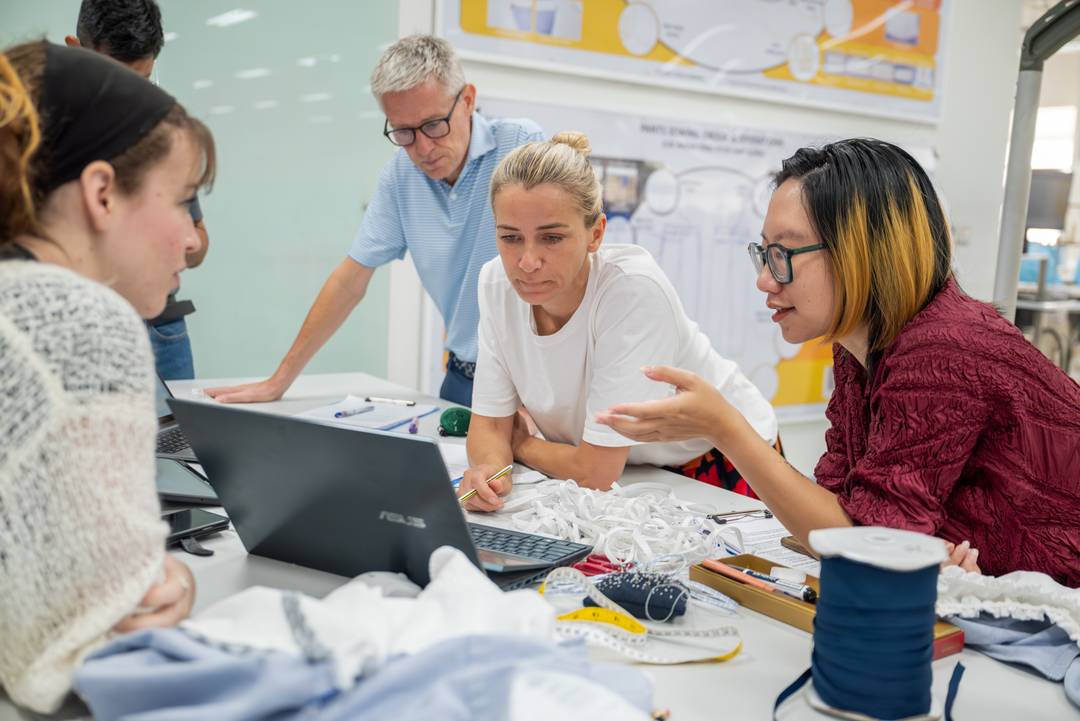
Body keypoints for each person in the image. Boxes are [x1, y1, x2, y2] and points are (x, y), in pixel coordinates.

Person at [596, 138, 1080, 586]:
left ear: (862, 252)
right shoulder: (861, 346)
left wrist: (727, 429)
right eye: (763, 253)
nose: (765, 279)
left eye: (783, 253)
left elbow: (854, 543)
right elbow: (842, 511)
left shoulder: (943, 349)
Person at [0, 41, 216, 711]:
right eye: (182, 201)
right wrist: (168, 578)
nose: (191, 238)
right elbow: (109, 632)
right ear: (101, 193)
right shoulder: (79, 319)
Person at [205, 35, 543, 407]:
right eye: (403, 132)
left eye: (433, 125)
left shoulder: (521, 146)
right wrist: (278, 381)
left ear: (467, 101)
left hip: (535, 378)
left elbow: (568, 265)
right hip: (465, 379)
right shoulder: (401, 177)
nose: (423, 149)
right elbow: (350, 281)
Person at [457, 133, 777, 512]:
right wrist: (490, 472)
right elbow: (492, 426)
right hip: (629, 470)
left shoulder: (631, 290)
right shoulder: (495, 283)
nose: (527, 261)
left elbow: (596, 472)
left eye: (552, 238)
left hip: (718, 461)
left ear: (596, 234)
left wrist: (522, 445)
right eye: (510, 238)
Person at [66, 0, 211, 380]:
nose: (128, 100)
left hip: (162, 334)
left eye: (141, 82)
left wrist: (179, 244)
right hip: (79, 339)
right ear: (75, 51)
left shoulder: (163, 134)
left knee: (176, 439)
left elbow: (198, 241)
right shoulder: (41, 142)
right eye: (112, 80)